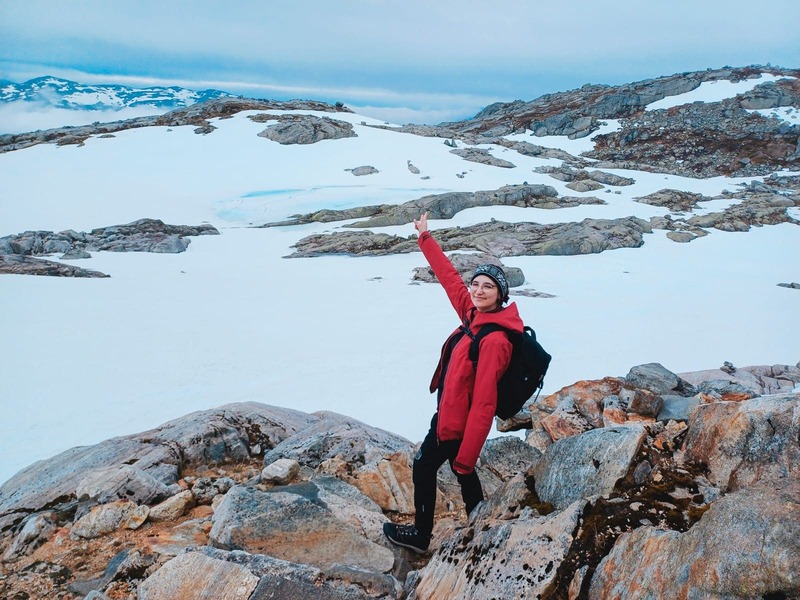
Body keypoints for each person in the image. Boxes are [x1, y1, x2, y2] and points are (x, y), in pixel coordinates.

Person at [383, 212, 524, 553]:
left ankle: (420, 535)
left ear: (500, 296)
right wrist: (425, 238)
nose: (477, 290)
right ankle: (479, 523)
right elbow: (450, 280)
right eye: (476, 284)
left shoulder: (494, 340)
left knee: (425, 465)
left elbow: (485, 403)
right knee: (463, 474)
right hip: (448, 414)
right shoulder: (474, 316)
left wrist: (469, 450)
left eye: (487, 287)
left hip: (456, 424)